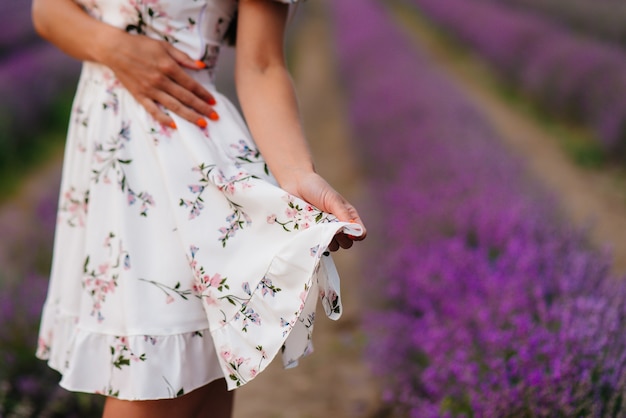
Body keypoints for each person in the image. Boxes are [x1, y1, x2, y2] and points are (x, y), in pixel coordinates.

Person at [31, 0, 366, 416]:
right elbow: (47, 11)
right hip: (104, 165)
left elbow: (261, 65)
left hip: (183, 155)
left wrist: (298, 175)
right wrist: (113, 47)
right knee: (183, 378)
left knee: (171, 379)